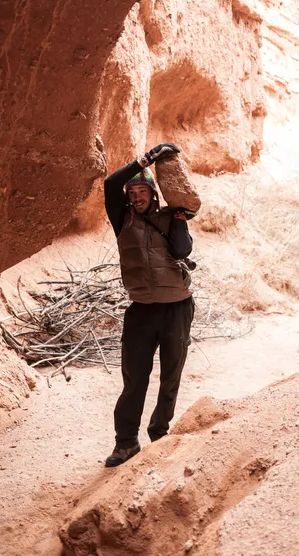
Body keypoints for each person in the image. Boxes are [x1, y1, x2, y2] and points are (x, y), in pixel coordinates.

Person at [104, 142, 196, 467]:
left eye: (142, 191)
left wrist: (181, 219)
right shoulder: (121, 219)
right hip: (141, 309)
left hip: (177, 308)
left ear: (152, 192)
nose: (136, 197)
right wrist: (146, 160)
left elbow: (183, 250)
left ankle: (159, 432)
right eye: (132, 193)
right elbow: (110, 184)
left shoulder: (171, 217)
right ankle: (126, 442)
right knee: (135, 379)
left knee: (171, 374)